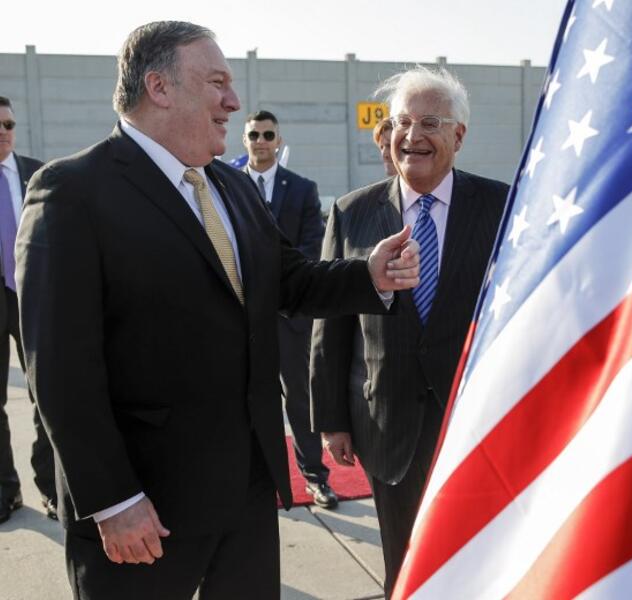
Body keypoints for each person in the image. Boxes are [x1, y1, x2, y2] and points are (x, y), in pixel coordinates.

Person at [14, 21, 418, 599]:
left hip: (248, 494)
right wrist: (112, 500)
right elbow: (58, 369)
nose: (233, 101)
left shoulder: (232, 188)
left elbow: (290, 281)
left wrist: (368, 275)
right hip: (145, 508)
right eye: (218, 83)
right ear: (159, 86)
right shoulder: (73, 191)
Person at [309, 65, 509, 596]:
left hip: (474, 423)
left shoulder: (501, 207)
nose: (412, 137)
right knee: (405, 560)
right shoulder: (352, 212)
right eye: (401, 122)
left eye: (430, 123)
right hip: (386, 423)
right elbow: (331, 325)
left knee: (479, 555)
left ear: (458, 135)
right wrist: (331, 420)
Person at [241, 109, 337, 508]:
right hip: (240, 317)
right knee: (243, 401)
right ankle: (251, 480)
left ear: (278, 140)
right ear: (244, 140)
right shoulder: (223, 185)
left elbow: (311, 247)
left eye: (268, 134)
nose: (261, 141)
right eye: (254, 135)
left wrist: (274, 288)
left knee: (299, 399)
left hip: (287, 318)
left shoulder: (301, 189)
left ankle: (315, 476)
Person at [0, 95, 56, 524]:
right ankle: (6, 490)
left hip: (32, 295)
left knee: (47, 396)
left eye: (9, 124)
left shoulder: (37, 173)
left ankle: (52, 488)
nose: (4, 132)